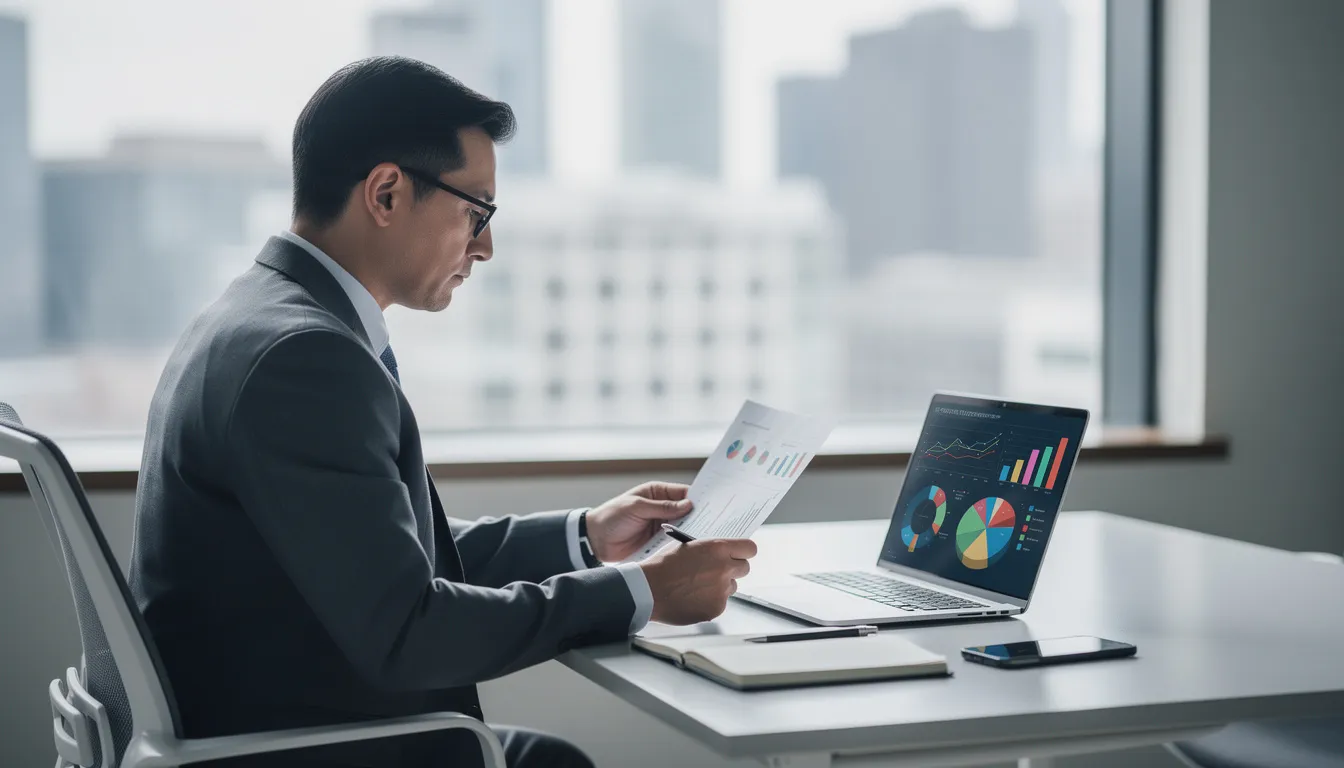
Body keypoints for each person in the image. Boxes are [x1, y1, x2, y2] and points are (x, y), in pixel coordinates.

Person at [128, 56, 757, 768]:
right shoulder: (304, 358)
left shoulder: (257, 318)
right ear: (388, 193)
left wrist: (585, 537)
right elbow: (408, 631)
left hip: (273, 727)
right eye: (475, 212)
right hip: (301, 748)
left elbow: (380, 550)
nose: (484, 246)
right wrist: (637, 593)